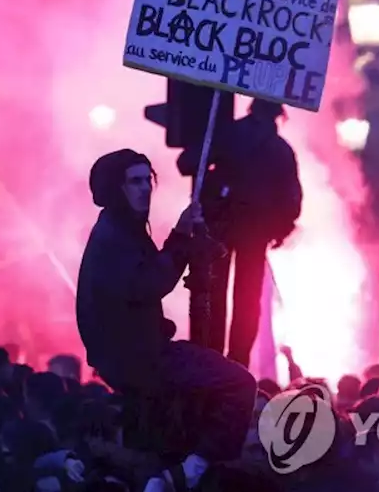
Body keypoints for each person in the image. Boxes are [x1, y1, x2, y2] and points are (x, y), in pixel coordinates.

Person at [76, 149, 256, 490]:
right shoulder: (113, 237)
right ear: (115, 188)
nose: (145, 189)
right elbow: (148, 284)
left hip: (136, 353)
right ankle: (191, 471)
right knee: (240, 384)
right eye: (134, 182)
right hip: (139, 358)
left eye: (148, 180)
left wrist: (179, 235)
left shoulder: (122, 229)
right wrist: (181, 243)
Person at [178, 99, 302, 366]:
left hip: (218, 226)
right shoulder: (280, 150)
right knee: (248, 298)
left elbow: (186, 163)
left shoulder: (226, 134)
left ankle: (209, 358)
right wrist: (281, 228)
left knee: (213, 292)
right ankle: (237, 363)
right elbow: (292, 197)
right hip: (256, 231)